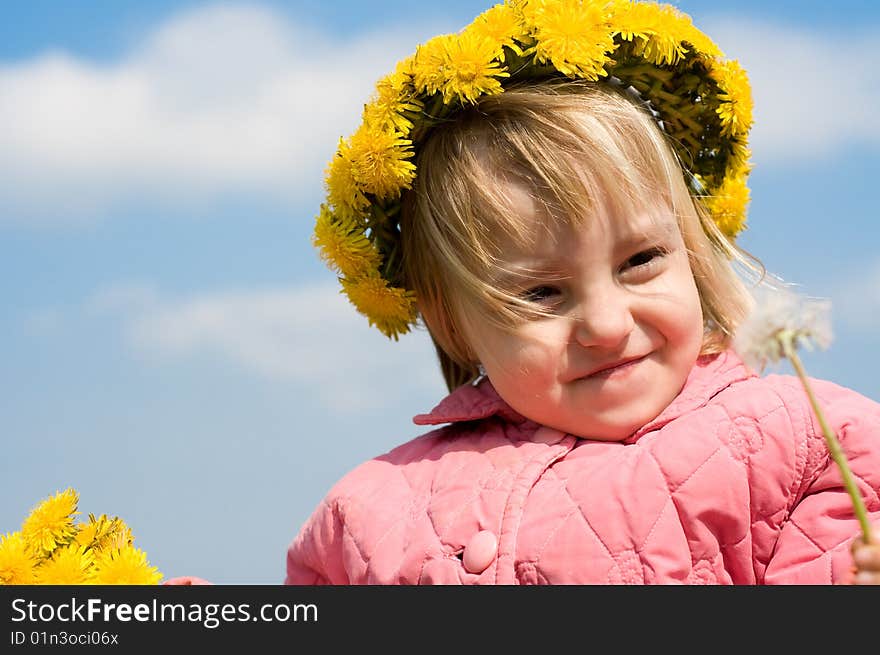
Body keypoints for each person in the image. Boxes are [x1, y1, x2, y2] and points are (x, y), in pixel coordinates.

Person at [171, 0, 880, 585]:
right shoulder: (365, 512)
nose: (604, 324)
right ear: (451, 320)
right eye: (541, 292)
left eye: (640, 260)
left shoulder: (814, 446)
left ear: (692, 250)